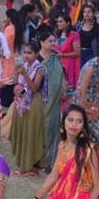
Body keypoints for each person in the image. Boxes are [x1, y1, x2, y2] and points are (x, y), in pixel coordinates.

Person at [11, 41, 46, 173]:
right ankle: (24, 163)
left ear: (37, 54)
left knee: (30, 132)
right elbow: (16, 83)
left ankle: (31, 165)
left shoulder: (40, 68)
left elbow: (34, 88)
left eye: (30, 53)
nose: (26, 55)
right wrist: (16, 73)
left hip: (33, 104)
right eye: (25, 52)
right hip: (21, 102)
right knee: (22, 132)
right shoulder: (24, 65)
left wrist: (24, 73)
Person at [38, 26, 66, 168]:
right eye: (50, 41)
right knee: (41, 129)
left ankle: (51, 160)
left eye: (54, 41)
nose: (53, 43)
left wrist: (63, 88)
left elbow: (61, 75)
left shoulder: (56, 58)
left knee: (52, 130)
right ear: (42, 43)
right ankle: (39, 158)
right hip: (40, 100)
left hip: (54, 101)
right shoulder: (37, 59)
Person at [54, 14, 82, 92]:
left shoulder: (74, 35)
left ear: (68, 23)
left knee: (68, 88)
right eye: (58, 22)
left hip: (69, 64)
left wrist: (62, 55)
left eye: (61, 21)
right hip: (58, 64)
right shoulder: (57, 35)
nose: (58, 23)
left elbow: (77, 52)